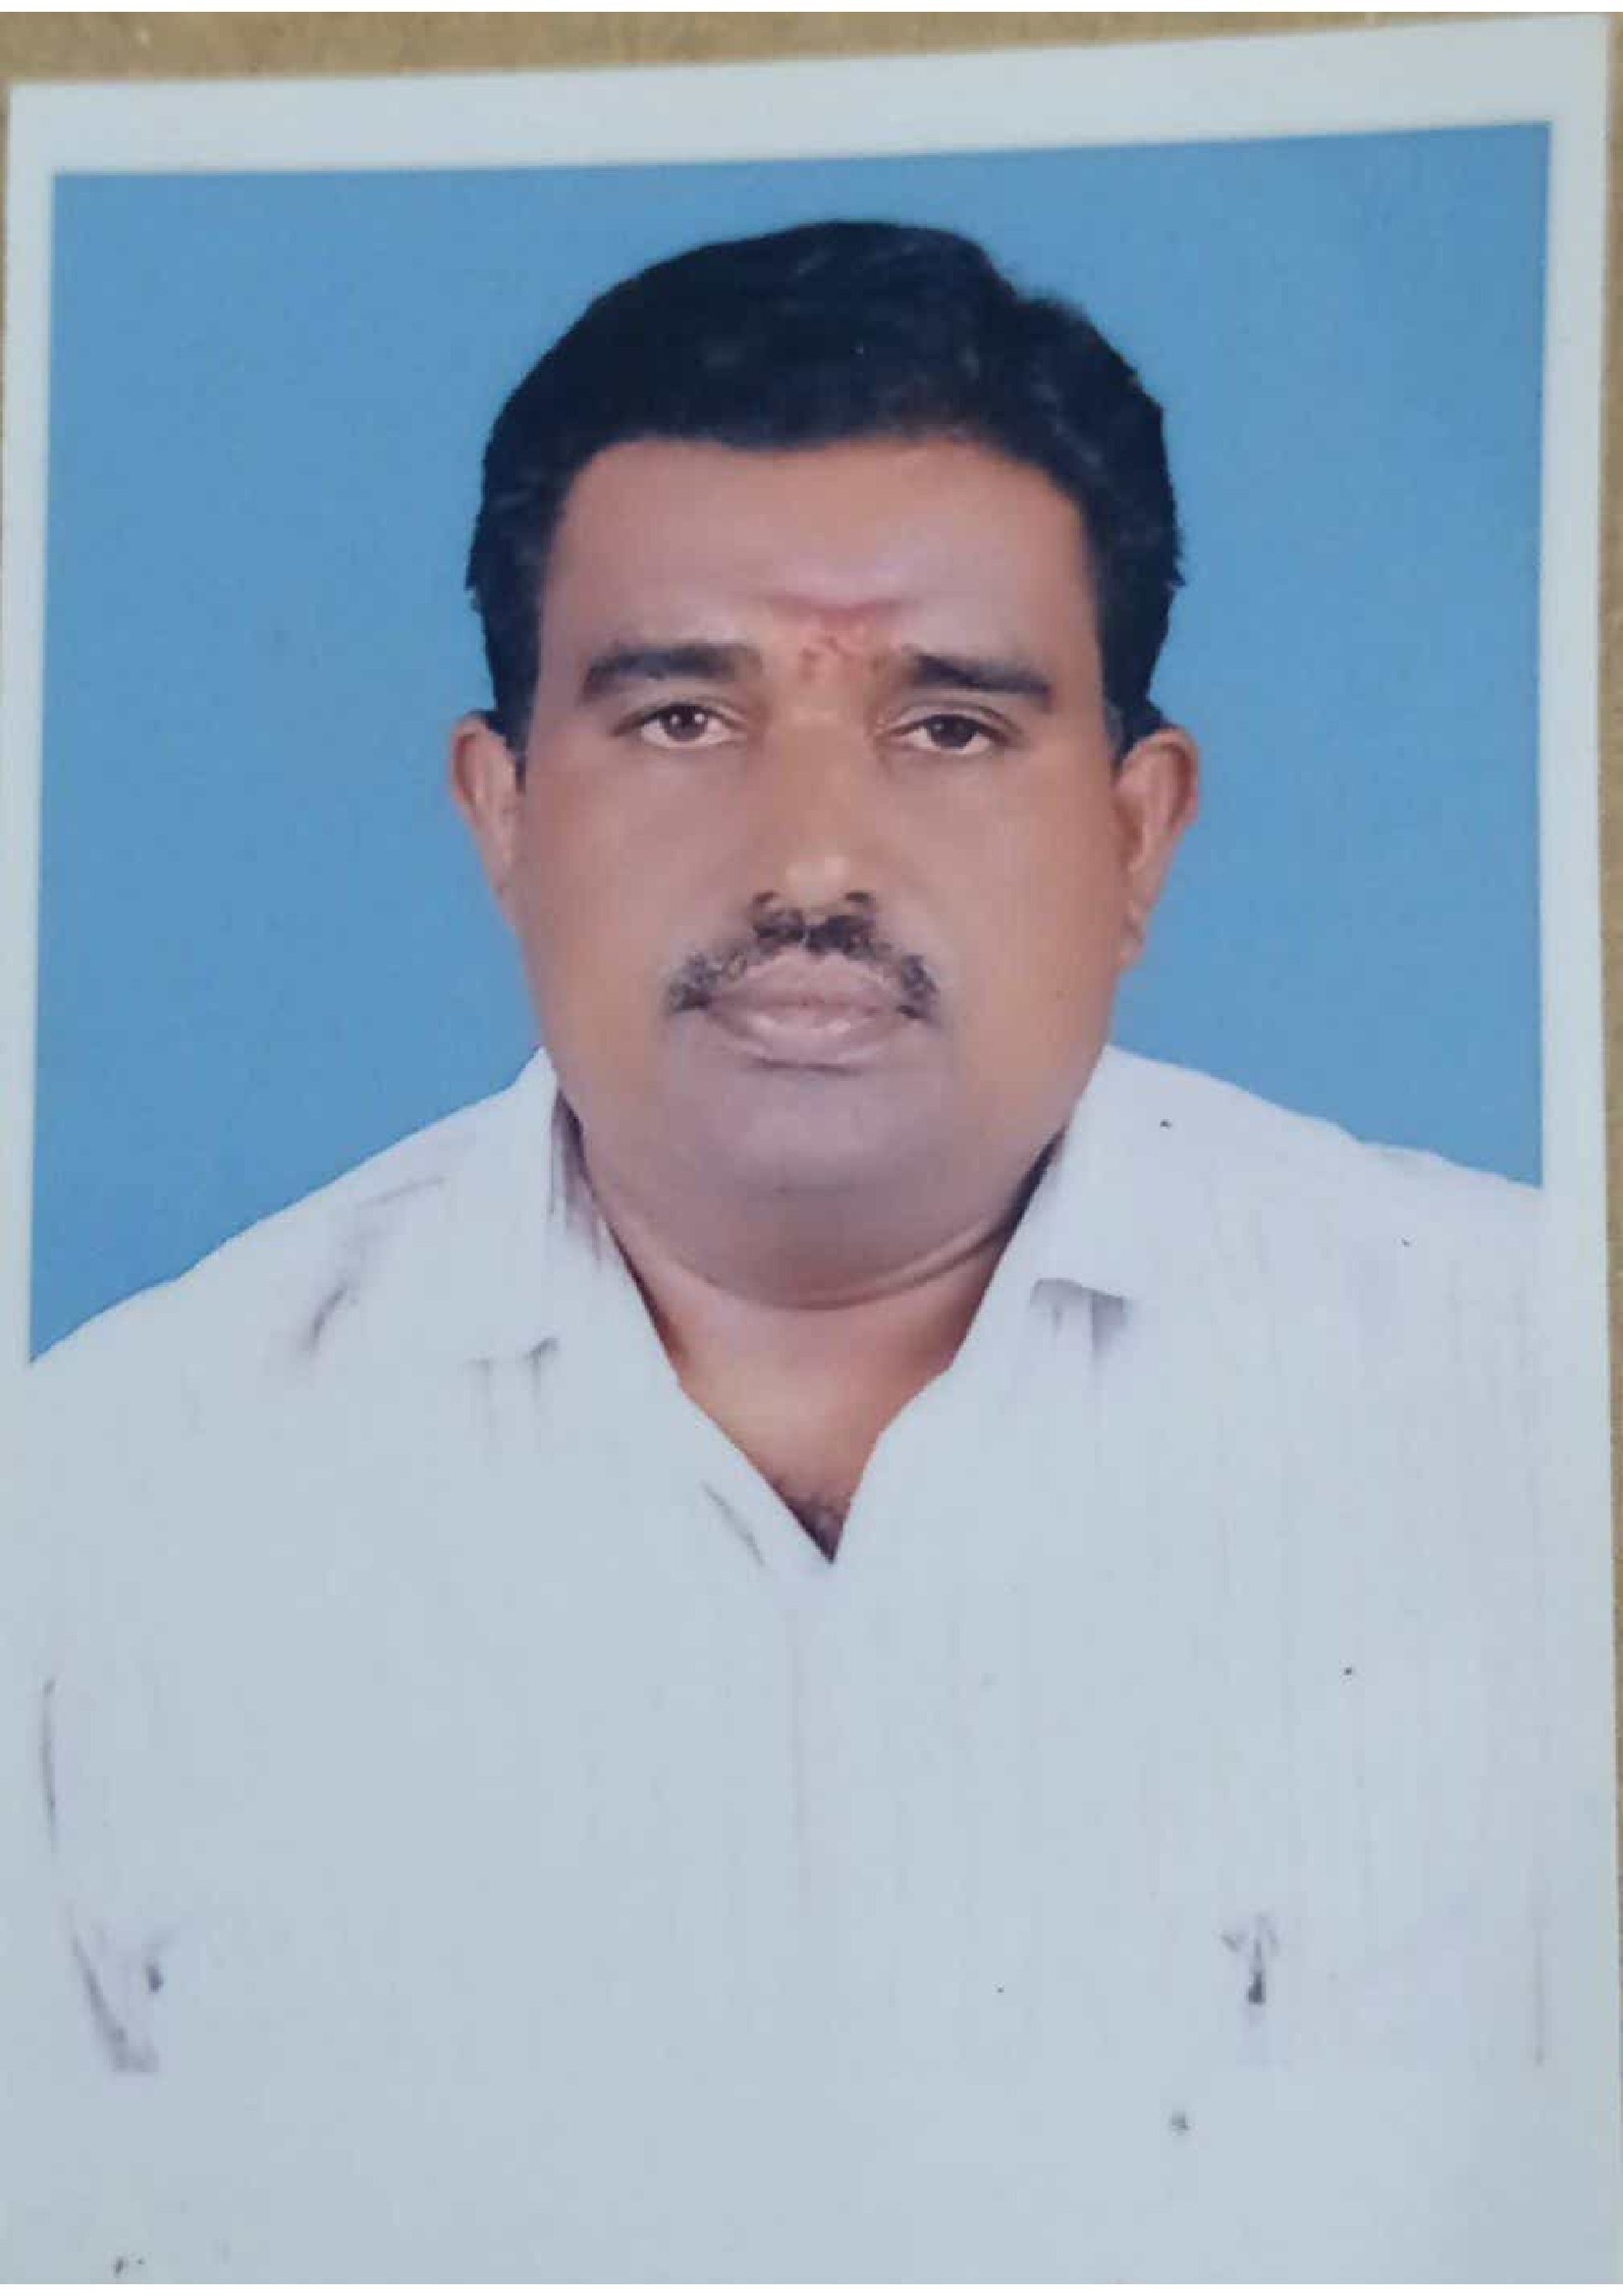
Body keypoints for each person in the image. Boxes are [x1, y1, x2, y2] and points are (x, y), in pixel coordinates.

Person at [22, 222, 1577, 2279]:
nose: (813, 860)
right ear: (502, 811)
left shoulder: (1540, 1406)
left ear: (1135, 835)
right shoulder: (103, 1511)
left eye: (949, 729)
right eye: (681, 717)